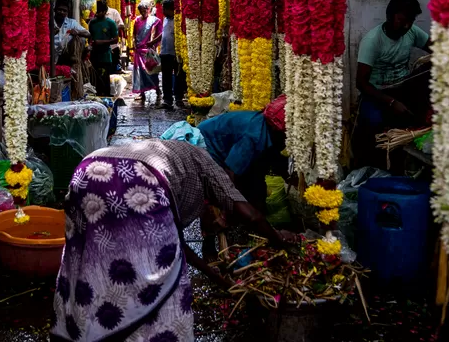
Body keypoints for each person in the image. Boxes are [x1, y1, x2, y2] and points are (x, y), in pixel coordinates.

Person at [50, 139, 296, 342]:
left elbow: (176, 246)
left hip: (86, 169)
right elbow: (250, 215)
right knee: (159, 280)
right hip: (134, 180)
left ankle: (83, 328)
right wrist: (280, 241)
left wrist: (220, 280)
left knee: (88, 260)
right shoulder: (207, 163)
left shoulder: (171, 156)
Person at [356, 0, 430, 134]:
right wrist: (391, 102)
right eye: (401, 20)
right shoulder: (372, 40)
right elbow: (361, 83)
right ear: (390, 16)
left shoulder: (411, 31)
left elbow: (435, 48)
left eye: (410, 21)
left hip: (403, 87)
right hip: (377, 93)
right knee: (374, 121)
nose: (406, 26)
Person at [197, 108, 287, 213]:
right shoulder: (253, 137)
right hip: (208, 141)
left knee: (254, 180)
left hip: (224, 138)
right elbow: (230, 171)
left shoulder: (268, 131)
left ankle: (253, 211)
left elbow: (270, 160)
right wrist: (239, 204)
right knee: (223, 184)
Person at [88, 0, 119, 97]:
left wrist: (102, 42)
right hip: (94, 55)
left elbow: (115, 40)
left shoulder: (110, 23)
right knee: (95, 78)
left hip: (106, 55)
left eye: (101, 11)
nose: (98, 13)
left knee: (105, 78)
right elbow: (90, 37)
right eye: (97, 11)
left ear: (105, 11)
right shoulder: (92, 23)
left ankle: (106, 97)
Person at [131, 2, 161, 103]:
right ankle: (142, 93)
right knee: (140, 72)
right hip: (139, 50)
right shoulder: (137, 21)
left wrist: (152, 43)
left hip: (147, 50)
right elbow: (135, 35)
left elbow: (157, 32)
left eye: (145, 10)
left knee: (151, 71)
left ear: (149, 9)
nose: (143, 12)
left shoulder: (154, 20)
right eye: (141, 11)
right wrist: (134, 44)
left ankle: (157, 90)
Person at [159, 0, 186, 109]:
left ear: (169, 9)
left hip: (175, 54)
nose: (162, 11)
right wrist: (153, 42)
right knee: (166, 77)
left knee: (179, 76)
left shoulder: (178, 20)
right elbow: (163, 34)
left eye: (164, 9)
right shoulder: (165, 19)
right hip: (165, 52)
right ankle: (167, 100)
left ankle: (179, 98)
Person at [53, 0, 90, 66]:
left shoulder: (71, 23)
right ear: (54, 10)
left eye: (64, 11)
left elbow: (88, 34)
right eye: (59, 10)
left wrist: (78, 32)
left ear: (67, 12)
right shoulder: (48, 22)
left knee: (81, 39)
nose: (62, 12)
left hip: (66, 56)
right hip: (51, 55)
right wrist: (51, 34)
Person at [105, 3, 125, 73]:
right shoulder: (97, 15)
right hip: (102, 47)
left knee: (114, 68)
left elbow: (122, 25)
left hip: (113, 45)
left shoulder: (113, 12)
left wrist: (113, 29)